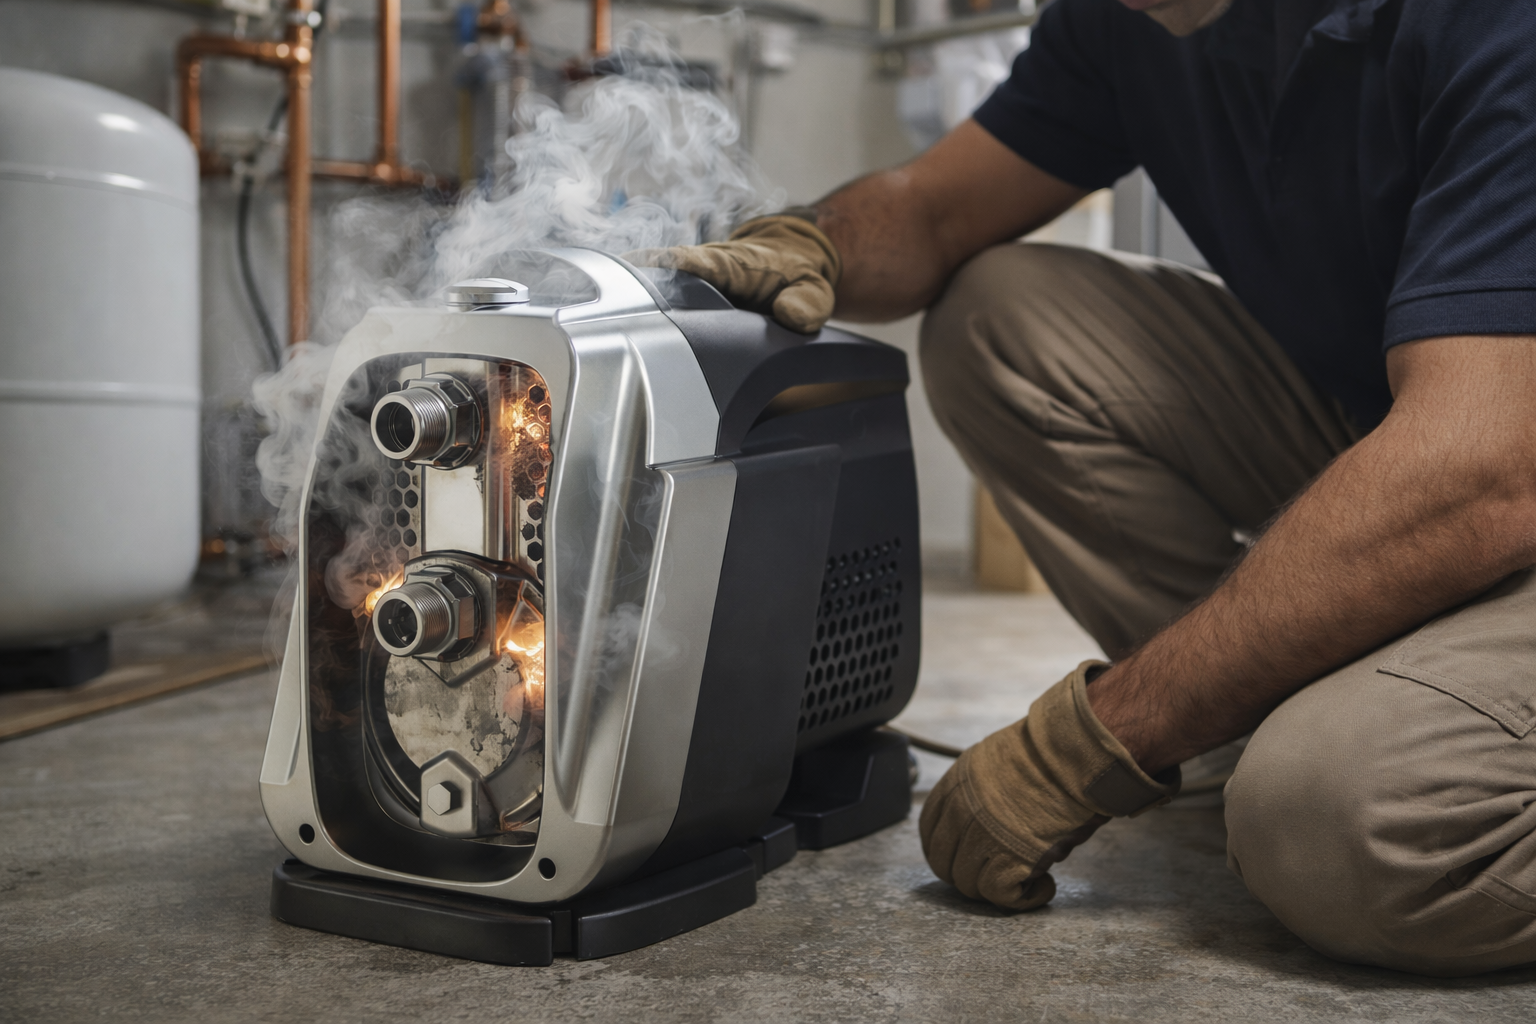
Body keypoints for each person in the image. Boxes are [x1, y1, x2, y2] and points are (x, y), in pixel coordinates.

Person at [628, 0, 1536, 977]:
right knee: (1001, 320)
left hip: (1490, 457)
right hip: (1428, 418)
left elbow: (1479, 472)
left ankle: (1326, 745)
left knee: (1341, 822)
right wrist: (811, 239)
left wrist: (1098, 740)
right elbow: (936, 209)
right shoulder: (1133, 20)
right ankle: (1261, 720)